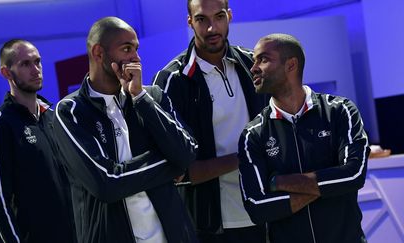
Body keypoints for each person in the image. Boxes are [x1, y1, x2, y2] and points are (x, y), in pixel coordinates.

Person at [52, 16, 199, 243]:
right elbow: (106, 182)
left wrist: (140, 98)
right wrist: (171, 163)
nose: (136, 58)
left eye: (136, 49)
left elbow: (188, 153)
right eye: (126, 49)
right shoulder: (70, 111)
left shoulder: (153, 97)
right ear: (99, 53)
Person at [153, 0, 268, 242]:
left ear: (229, 16)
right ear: (190, 22)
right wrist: (245, 156)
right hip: (207, 224)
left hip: (264, 212)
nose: (211, 28)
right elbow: (176, 169)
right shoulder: (171, 80)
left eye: (219, 17)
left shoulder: (253, 66)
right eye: (201, 19)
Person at [238, 33, 370, 243]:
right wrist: (327, 187)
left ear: (291, 65)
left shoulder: (340, 110)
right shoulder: (253, 133)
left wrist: (278, 181)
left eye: (263, 59)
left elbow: (354, 175)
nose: (253, 68)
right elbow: (256, 207)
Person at [0, 39, 76, 243]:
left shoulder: (54, 116)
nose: (35, 69)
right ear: (6, 73)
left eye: (37, 62)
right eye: (25, 64)